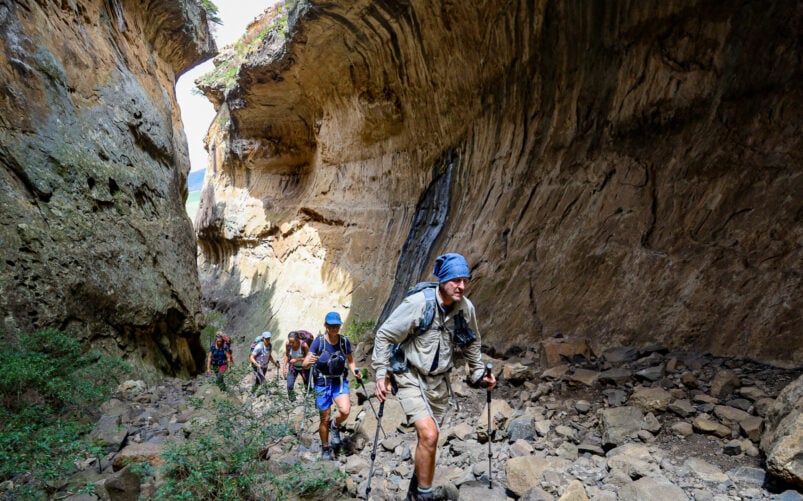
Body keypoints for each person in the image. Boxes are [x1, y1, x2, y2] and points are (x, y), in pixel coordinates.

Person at [372, 253, 496, 501]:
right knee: (429, 435)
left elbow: (473, 344)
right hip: (410, 375)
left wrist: (480, 372)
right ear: (443, 281)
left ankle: (414, 494)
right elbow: (385, 335)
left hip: (440, 383)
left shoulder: (465, 309)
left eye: (465, 280)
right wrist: (380, 373)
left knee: (427, 440)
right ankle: (425, 496)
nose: (461, 286)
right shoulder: (419, 304)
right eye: (455, 280)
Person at [302, 312, 362, 460]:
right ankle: (325, 447)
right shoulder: (319, 342)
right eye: (331, 326)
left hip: (339, 381)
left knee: (345, 410)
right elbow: (304, 363)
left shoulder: (343, 341)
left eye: (337, 325)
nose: (334, 328)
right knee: (324, 418)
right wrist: (308, 362)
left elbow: (350, 360)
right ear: (326, 326)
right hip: (322, 383)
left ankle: (335, 426)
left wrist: (355, 371)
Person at [283, 331, 311, 400]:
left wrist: (297, 359)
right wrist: (284, 367)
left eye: (293, 342)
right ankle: (292, 401)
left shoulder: (304, 345)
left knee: (307, 386)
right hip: (293, 367)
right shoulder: (288, 344)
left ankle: (309, 400)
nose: (291, 344)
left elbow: (309, 358)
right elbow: (287, 355)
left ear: (298, 340)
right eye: (290, 342)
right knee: (289, 386)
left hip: (304, 368)